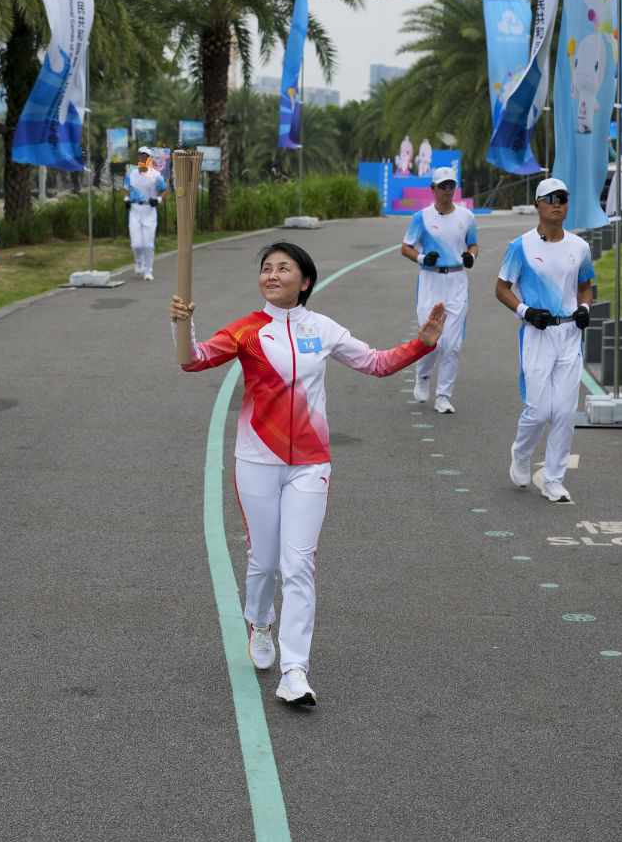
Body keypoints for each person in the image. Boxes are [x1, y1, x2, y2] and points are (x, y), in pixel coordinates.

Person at [170, 243, 445, 707]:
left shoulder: (323, 328)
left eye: (283, 268)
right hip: (257, 460)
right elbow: (192, 359)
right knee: (263, 561)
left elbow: (376, 363)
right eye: (266, 269)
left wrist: (423, 344)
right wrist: (182, 324)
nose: (272, 275)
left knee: (298, 565)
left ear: (306, 281)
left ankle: (295, 670)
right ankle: (260, 623)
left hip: (311, 464)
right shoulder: (246, 331)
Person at [494, 176, 594, 503]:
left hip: (569, 335)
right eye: (550, 198)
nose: (556, 203)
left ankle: (553, 479)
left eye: (562, 198)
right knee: (538, 410)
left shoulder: (579, 247)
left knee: (565, 412)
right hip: (537, 334)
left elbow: (584, 287)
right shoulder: (520, 246)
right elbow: (502, 289)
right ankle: (521, 453)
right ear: (537, 204)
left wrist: (584, 308)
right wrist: (525, 310)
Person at [400, 166, 478, 413]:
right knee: (430, 339)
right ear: (433, 188)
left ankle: (443, 396)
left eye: (451, 185)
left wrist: (471, 257)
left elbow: (473, 245)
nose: (448, 190)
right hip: (431, 282)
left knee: (452, 344)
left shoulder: (467, 217)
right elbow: (406, 247)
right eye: (443, 185)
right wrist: (423, 258)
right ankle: (423, 376)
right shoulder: (421, 217)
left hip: (456, 282)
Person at [123, 146, 167, 280]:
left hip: (149, 210)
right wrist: (126, 198)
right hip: (135, 209)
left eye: (145, 156)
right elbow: (125, 188)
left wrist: (158, 199)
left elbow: (164, 189)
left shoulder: (156, 175)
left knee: (148, 244)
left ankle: (148, 270)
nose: (142, 158)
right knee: (136, 244)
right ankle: (139, 261)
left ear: (149, 159)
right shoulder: (131, 174)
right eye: (140, 156)